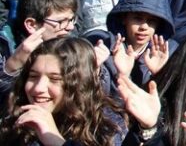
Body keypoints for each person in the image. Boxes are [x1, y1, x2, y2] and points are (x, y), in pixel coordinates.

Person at [0, 37, 131, 146]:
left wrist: (55, 140)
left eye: (54, 79)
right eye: (33, 76)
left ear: (79, 83)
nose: (38, 88)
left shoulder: (107, 125)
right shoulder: (14, 117)